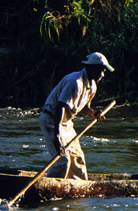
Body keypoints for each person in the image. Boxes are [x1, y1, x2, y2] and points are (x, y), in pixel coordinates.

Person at [38, 52, 114, 180]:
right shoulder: (74, 82)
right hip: (52, 120)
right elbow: (60, 107)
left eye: (104, 71)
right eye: (100, 71)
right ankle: (51, 186)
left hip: (66, 122)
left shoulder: (92, 85)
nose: (102, 75)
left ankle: (78, 189)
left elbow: (82, 105)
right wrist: (57, 136)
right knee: (62, 160)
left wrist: (92, 113)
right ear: (91, 68)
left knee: (78, 159)